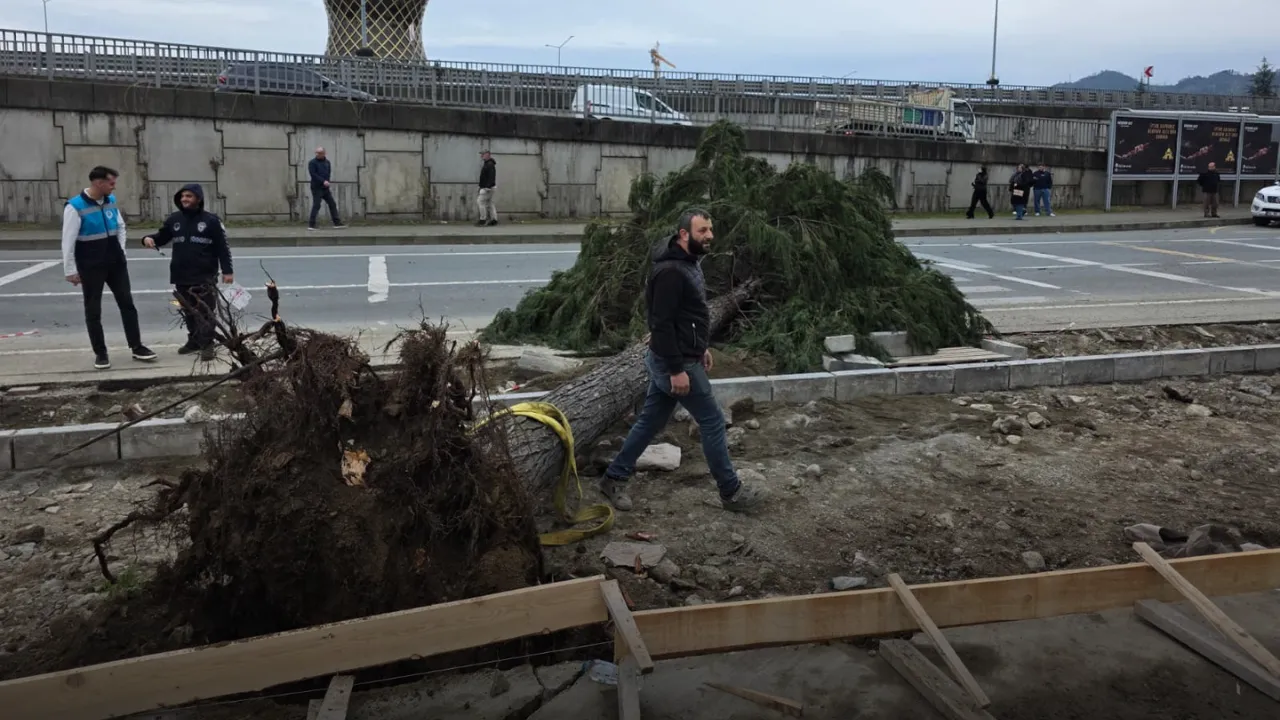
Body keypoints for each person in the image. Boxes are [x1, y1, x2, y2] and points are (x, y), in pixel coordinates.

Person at [597, 209, 764, 514]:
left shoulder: (690, 262)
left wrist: (701, 347)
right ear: (684, 234)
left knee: (649, 422)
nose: (710, 235)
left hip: (684, 356)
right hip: (675, 364)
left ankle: (613, 478)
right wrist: (677, 368)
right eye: (703, 231)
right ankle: (731, 492)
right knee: (713, 421)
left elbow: (690, 315)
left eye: (711, 229)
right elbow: (660, 323)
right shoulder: (672, 272)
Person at [61, 165, 156, 370]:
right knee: (93, 310)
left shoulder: (110, 200)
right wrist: (70, 270)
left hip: (115, 264)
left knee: (127, 304)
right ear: (98, 183)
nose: (114, 187)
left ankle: (137, 346)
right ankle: (101, 353)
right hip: (91, 266)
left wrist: (120, 250)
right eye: (111, 183)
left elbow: (120, 226)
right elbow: (67, 241)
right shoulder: (75, 207)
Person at [142, 184, 234, 362]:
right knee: (188, 310)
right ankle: (194, 341)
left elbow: (223, 247)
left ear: (198, 199)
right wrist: (148, 239)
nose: (185, 199)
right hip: (181, 274)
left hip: (204, 275)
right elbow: (161, 237)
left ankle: (207, 344)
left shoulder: (211, 221)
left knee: (205, 311)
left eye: (189, 196)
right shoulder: (174, 220)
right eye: (183, 196)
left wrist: (227, 271)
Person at [307, 147, 346, 230]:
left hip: (325, 188)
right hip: (317, 187)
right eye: (316, 152)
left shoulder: (327, 162)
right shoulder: (312, 163)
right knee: (316, 205)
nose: (317, 154)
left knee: (332, 203)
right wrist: (323, 181)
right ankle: (311, 224)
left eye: (319, 153)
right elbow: (313, 174)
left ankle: (337, 223)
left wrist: (327, 182)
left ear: (324, 153)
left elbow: (328, 173)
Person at [477, 150, 498, 226]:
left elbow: (491, 176)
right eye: (481, 154)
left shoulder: (489, 164)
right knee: (490, 203)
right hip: (489, 187)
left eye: (483, 154)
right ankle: (494, 219)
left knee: (480, 201)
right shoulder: (488, 163)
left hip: (488, 188)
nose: (481, 156)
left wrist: (487, 187)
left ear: (487, 155)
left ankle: (483, 219)